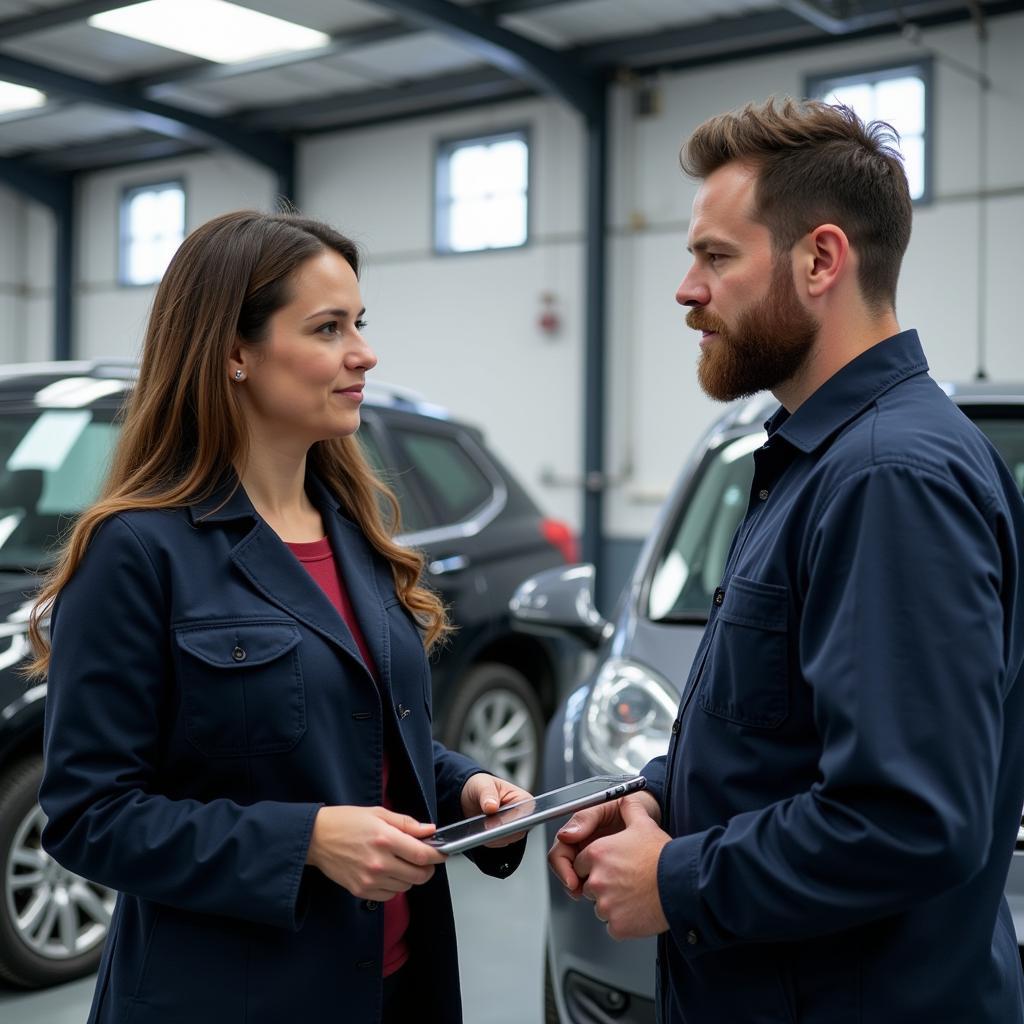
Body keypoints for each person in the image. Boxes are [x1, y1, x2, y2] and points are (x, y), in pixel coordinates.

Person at [549, 98, 1024, 1023]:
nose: (688, 290)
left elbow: (911, 819)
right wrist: (656, 803)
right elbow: (786, 736)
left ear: (820, 259)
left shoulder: (890, 478)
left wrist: (678, 879)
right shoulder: (824, 460)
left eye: (716, 257)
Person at [32, 210, 530, 1024]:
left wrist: (464, 786)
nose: (363, 354)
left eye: (359, 324)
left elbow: (359, 733)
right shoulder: (138, 552)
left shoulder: (356, 533)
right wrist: (304, 842)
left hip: (395, 983)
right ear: (234, 352)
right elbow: (92, 817)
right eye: (328, 328)